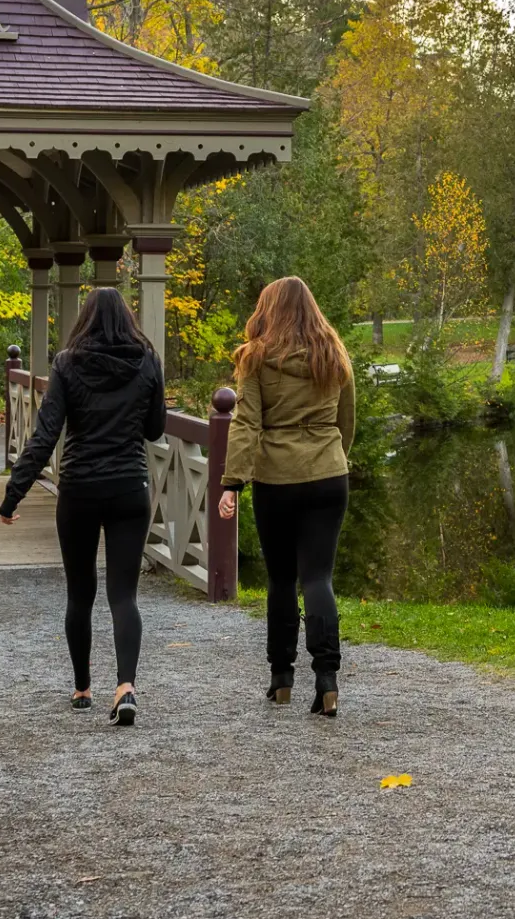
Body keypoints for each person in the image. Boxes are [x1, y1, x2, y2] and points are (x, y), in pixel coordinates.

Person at [0, 286, 165, 726]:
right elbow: (155, 429)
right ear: (127, 319)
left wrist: (13, 494)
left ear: (85, 320)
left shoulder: (67, 364)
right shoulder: (147, 361)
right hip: (130, 486)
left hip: (81, 489)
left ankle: (81, 689)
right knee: (124, 595)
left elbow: (45, 435)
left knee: (80, 592)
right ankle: (126, 687)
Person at [218, 276, 356, 717]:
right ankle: (328, 680)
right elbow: (346, 419)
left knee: (280, 579)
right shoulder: (334, 354)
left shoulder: (256, 358)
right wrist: (334, 458)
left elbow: (246, 423)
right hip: (328, 474)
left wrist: (232, 483)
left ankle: (281, 679)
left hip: (277, 479)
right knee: (318, 578)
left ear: (268, 310)